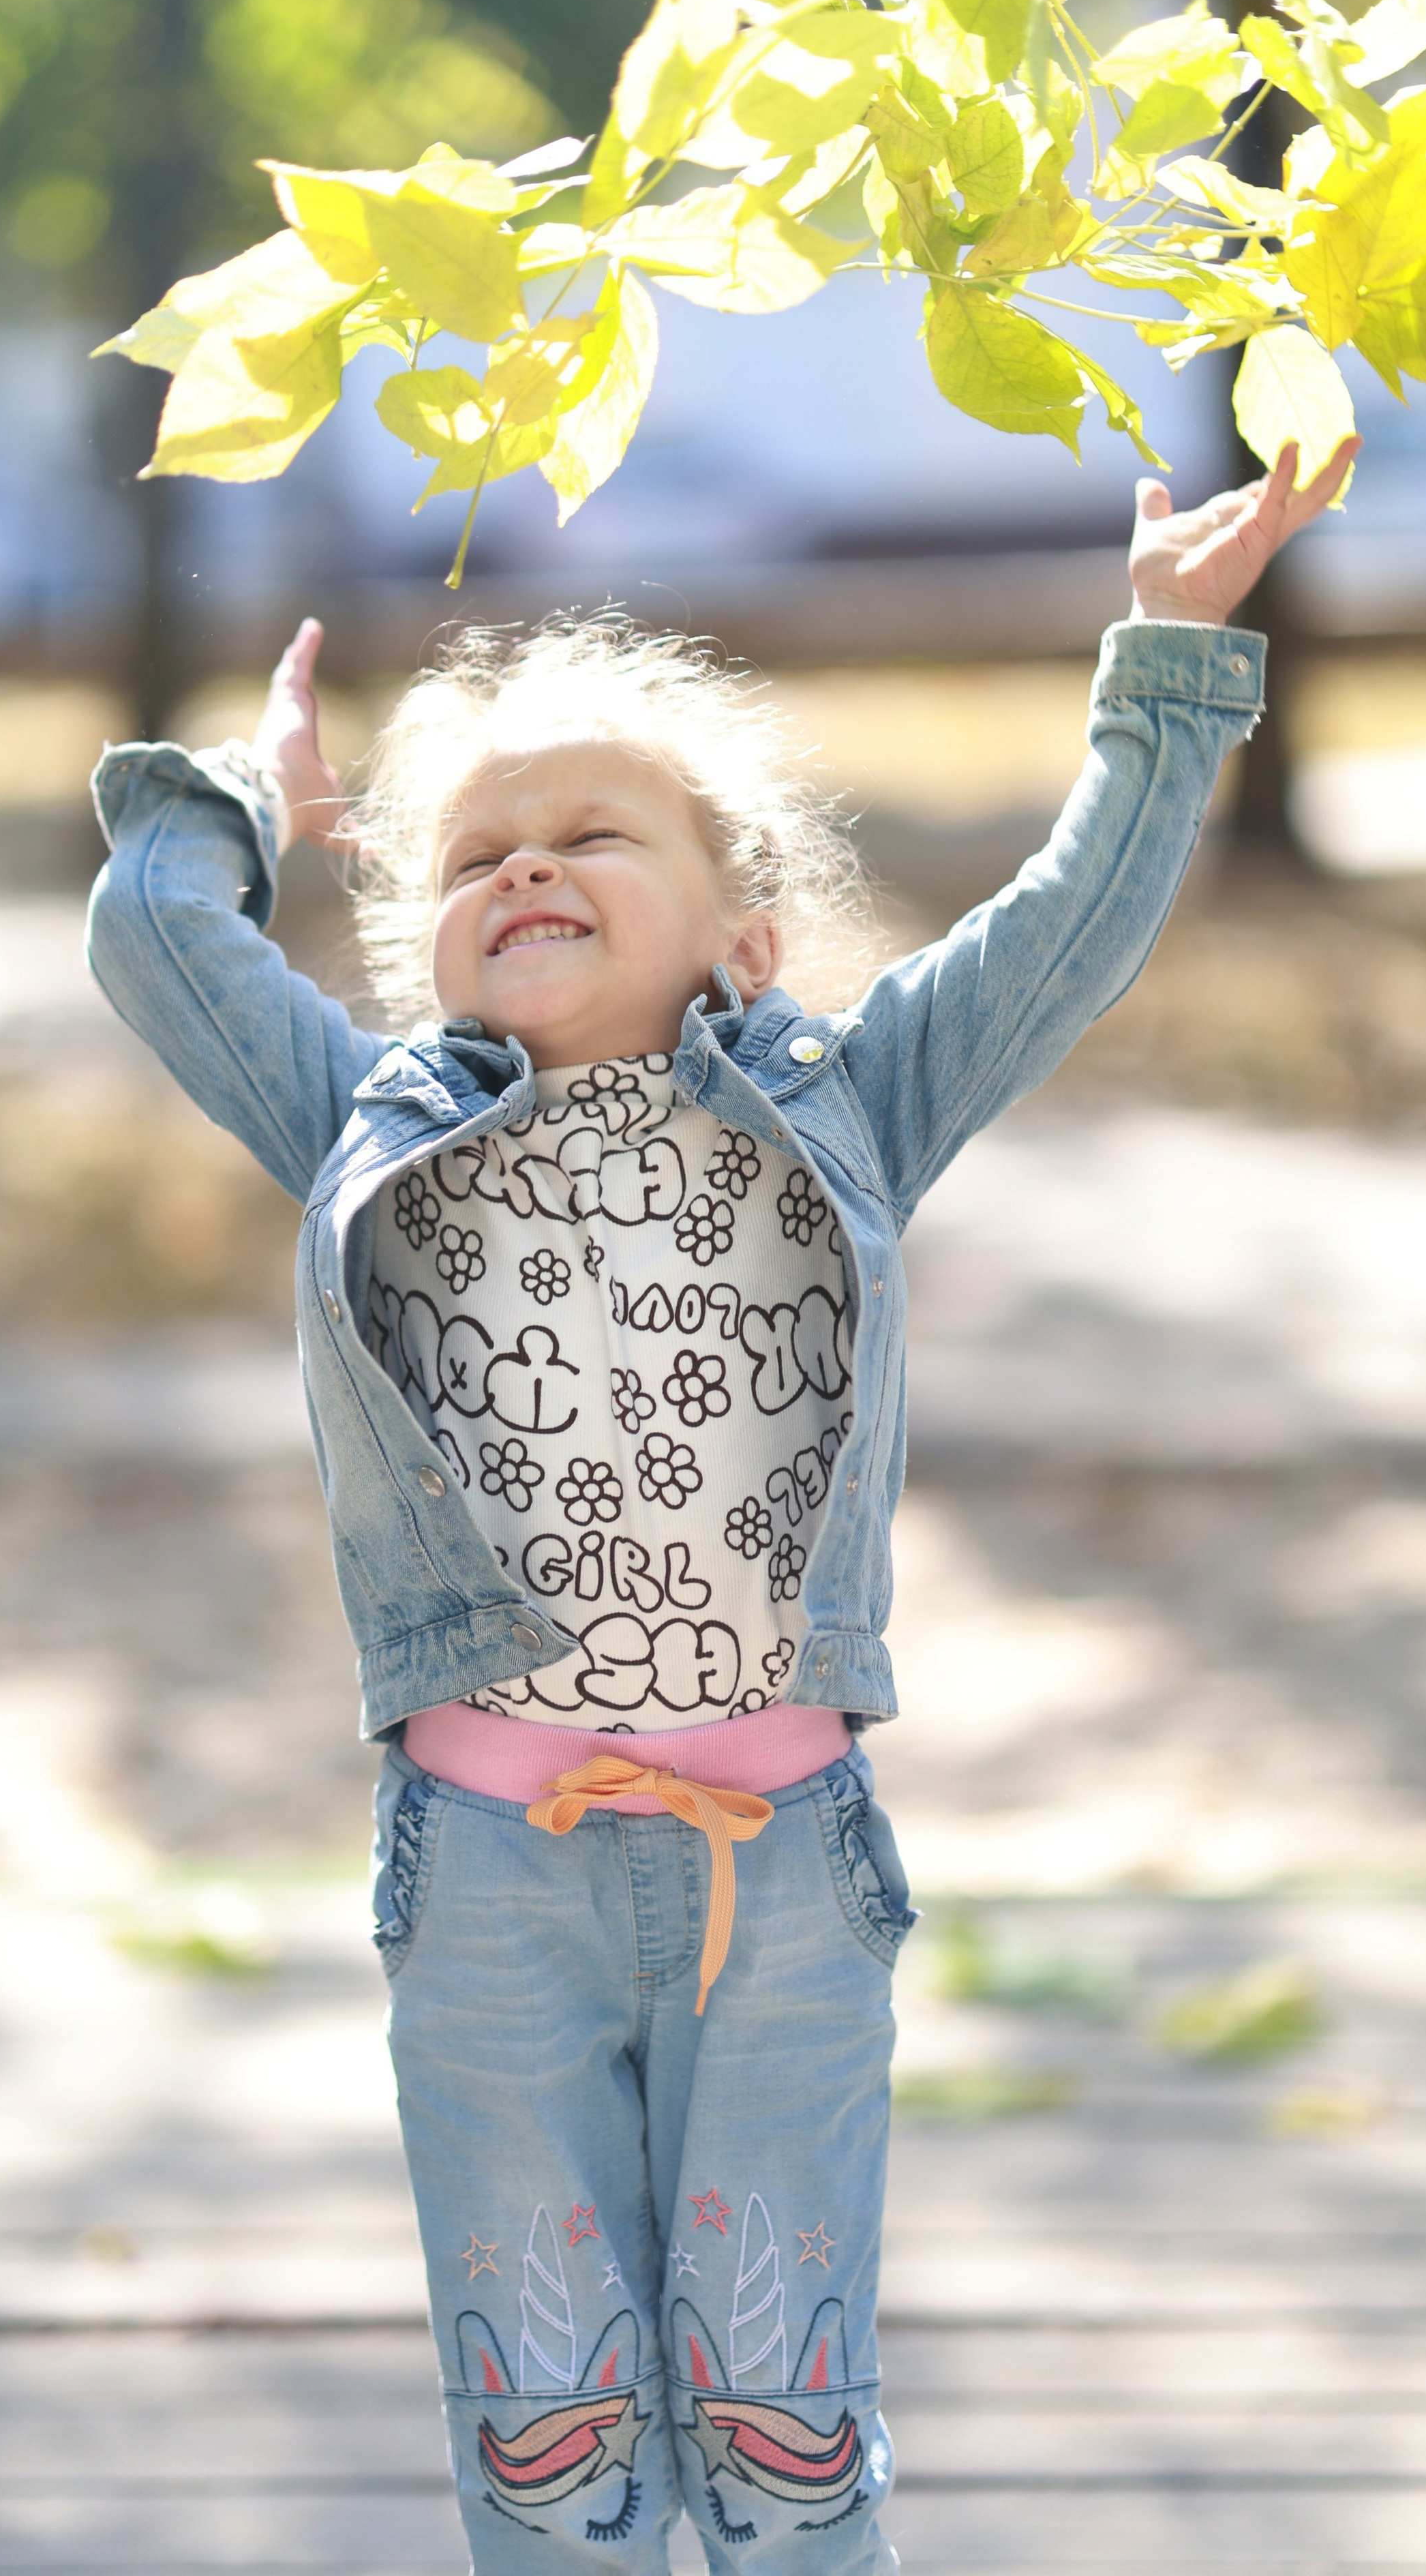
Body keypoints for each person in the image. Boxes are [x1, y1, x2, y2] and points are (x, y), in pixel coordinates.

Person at [86, 436, 1355, 2574]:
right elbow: (157, 942)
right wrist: (242, 807)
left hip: (787, 1876)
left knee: (781, 2434)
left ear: (742, 929)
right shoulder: (363, 1126)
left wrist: (1171, 659)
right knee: (551, 2442)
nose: (523, 867)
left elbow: (1069, 929)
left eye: (593, 832)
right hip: (491, 1877)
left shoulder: (853, 1097)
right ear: (435, 943)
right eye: (476, 852)